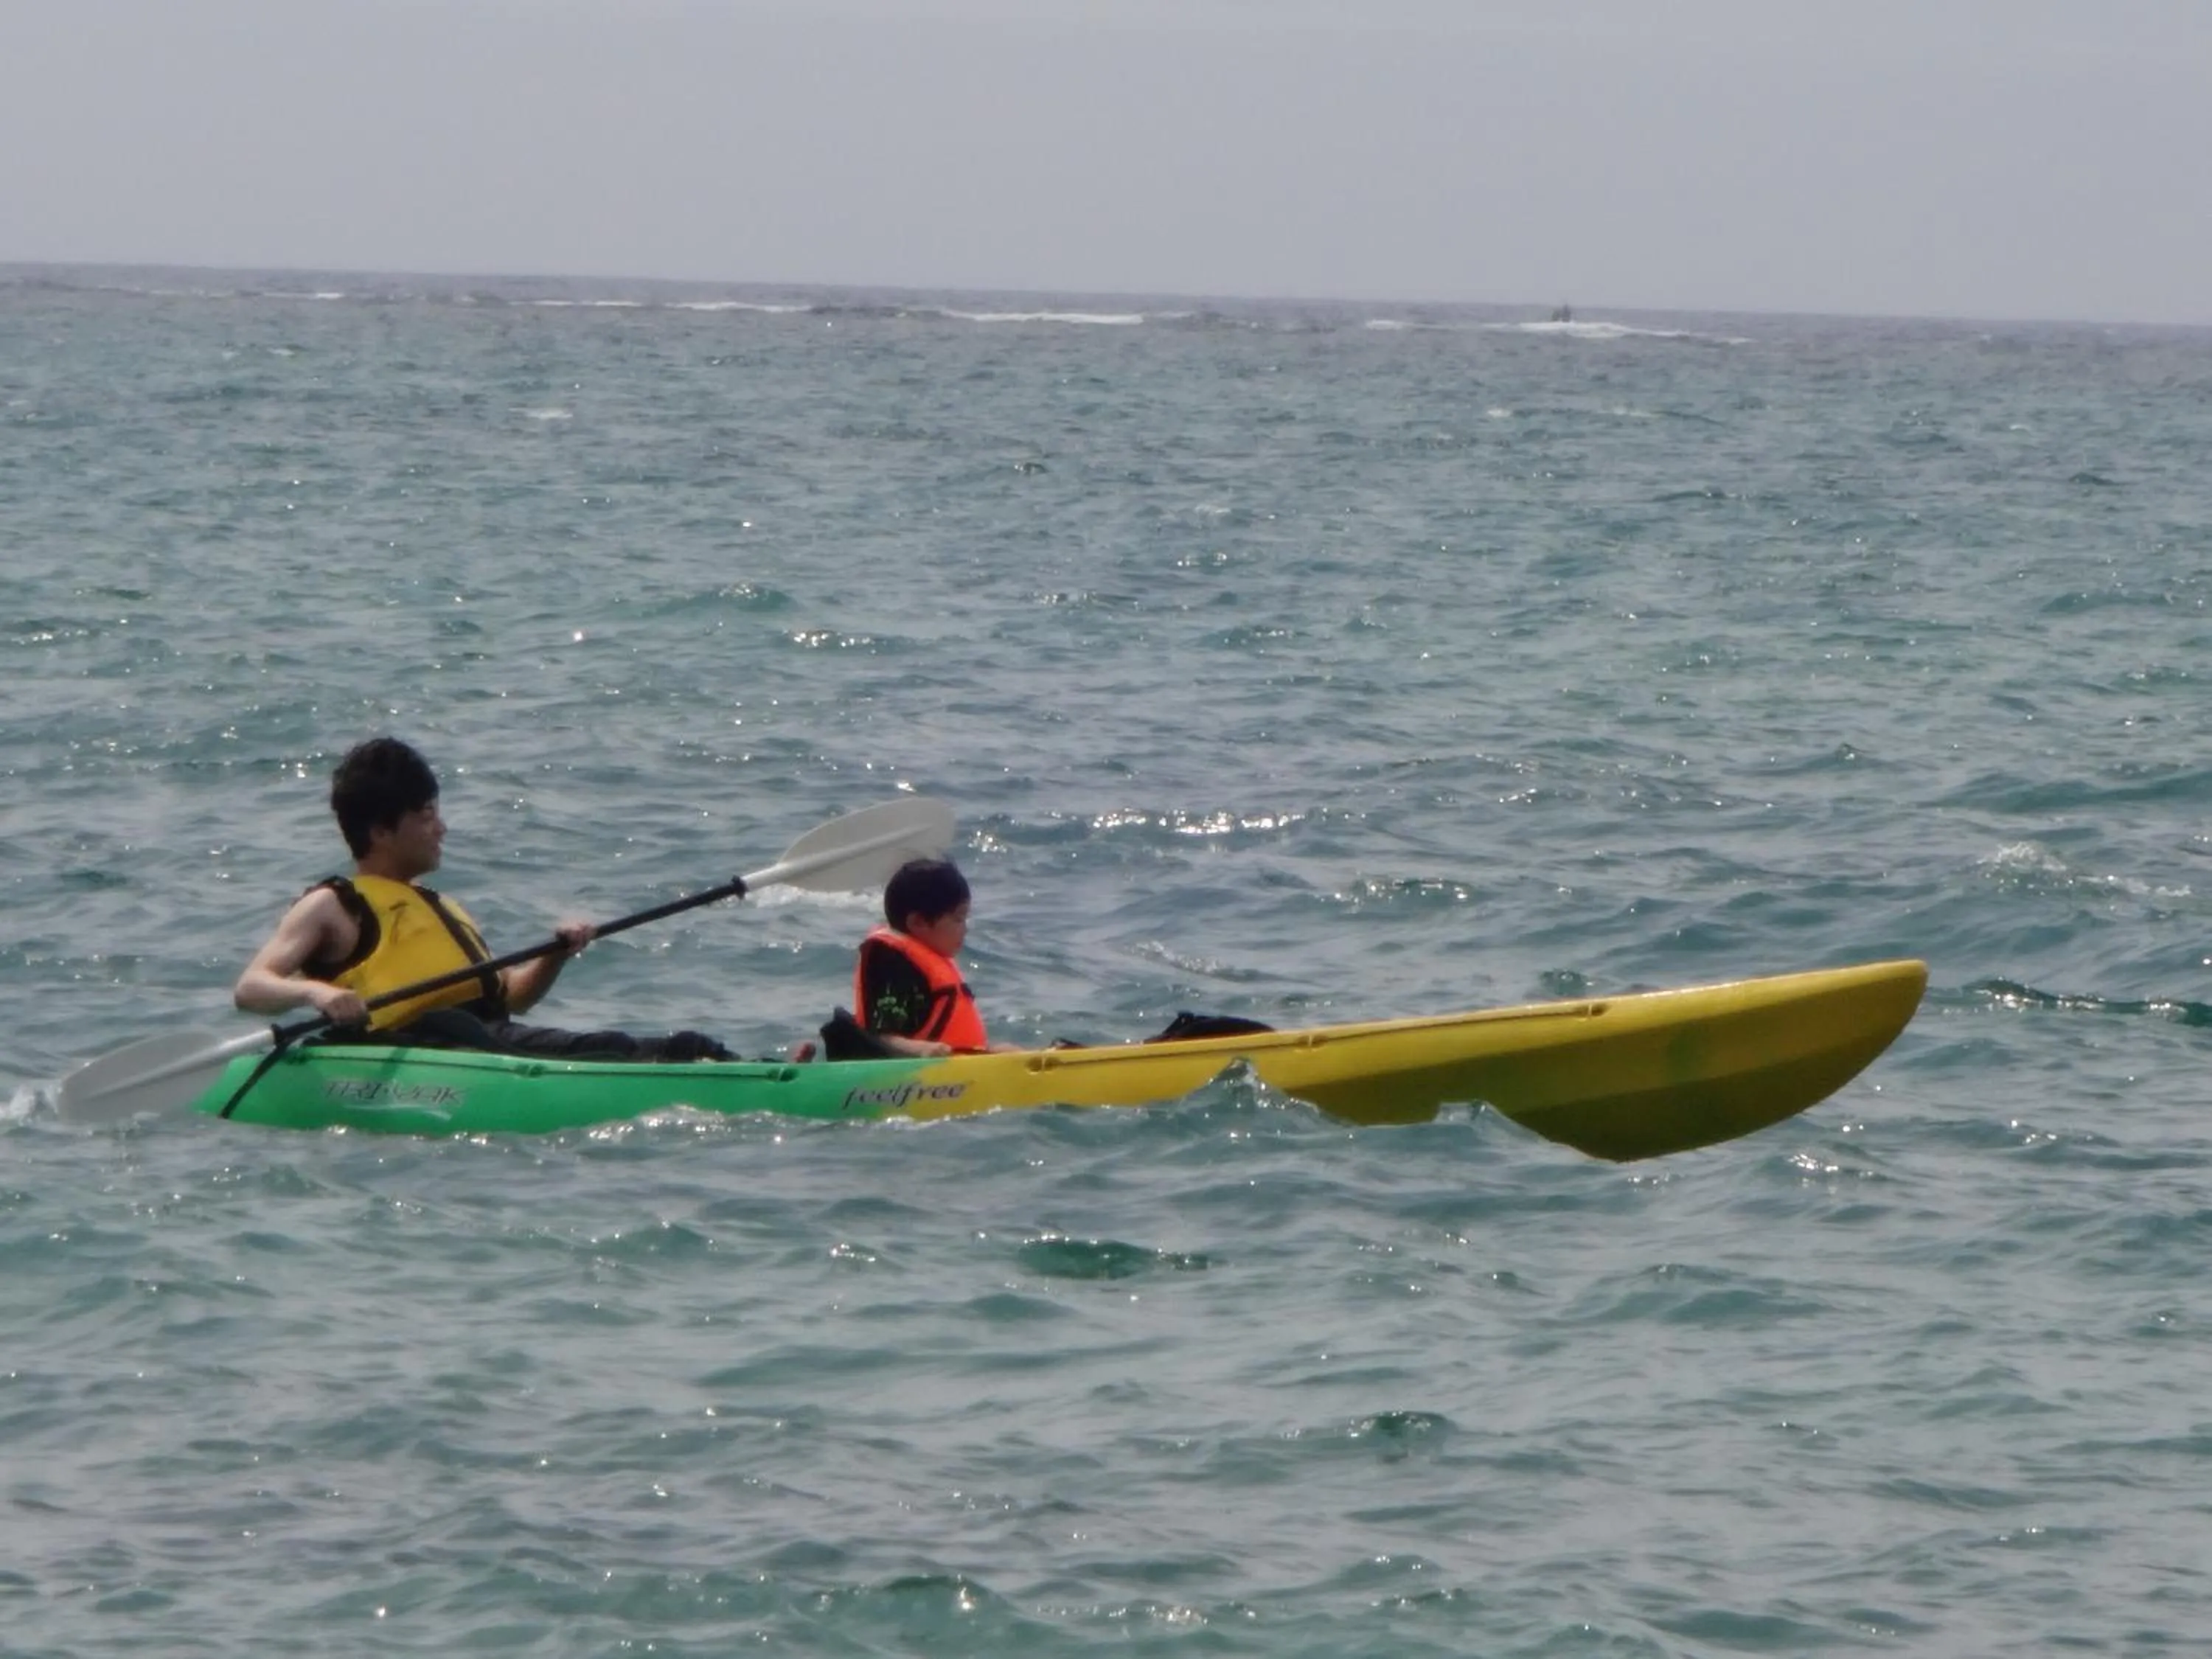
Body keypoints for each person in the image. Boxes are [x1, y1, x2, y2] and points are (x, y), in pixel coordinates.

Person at [234, 736, 733, 1062]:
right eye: (426, 816)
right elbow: (252, 988)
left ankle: (768, 1068)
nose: (442, 828)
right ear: (382, 830)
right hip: (428, 1047)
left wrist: (553, 956)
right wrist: (316, 994)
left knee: (660, 1046)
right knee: (668, 1049)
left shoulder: (440, 907)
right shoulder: (333, 906)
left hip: (485, 1041)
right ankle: (752, 1074)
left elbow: (512, 998)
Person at [851, 857, 1016, 1056]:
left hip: (951, 1068)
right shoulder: (890, 959)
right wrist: (921, 1050)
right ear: (918, 922)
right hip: (909, 1076)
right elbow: (880, 1036)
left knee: (1009, 1051)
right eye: (958, 919)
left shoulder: (927, 961)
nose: (966, 929)